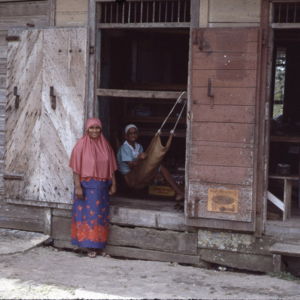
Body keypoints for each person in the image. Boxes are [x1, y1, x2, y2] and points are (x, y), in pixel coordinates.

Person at [69, 118, 117, 258]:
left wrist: (113, 184)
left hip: (102, 189)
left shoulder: (106, 145)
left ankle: (99, 247)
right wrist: (78, 187)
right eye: (92, 128)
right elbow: (76, 169)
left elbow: (112, 167)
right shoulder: (80, 146)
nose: (94, 131)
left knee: (100, 217)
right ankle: (90, 248)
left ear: (100, 129)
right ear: (87, 129)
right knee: (89, 217)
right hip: (86, 188)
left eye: (97, 128)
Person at [116, 124, 184, 201]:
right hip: (130, 178)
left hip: (138, 173)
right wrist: (138, 158)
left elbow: (143, 164)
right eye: (130, 133)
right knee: (159, 168)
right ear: (126, 136)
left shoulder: (139, 146)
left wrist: (155, 174)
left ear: (137, 134)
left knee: (159, 167)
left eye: (135, 133)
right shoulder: (124, 148)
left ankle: (179, 192)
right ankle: (179, 192)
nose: (133, 135)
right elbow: (132, 167)